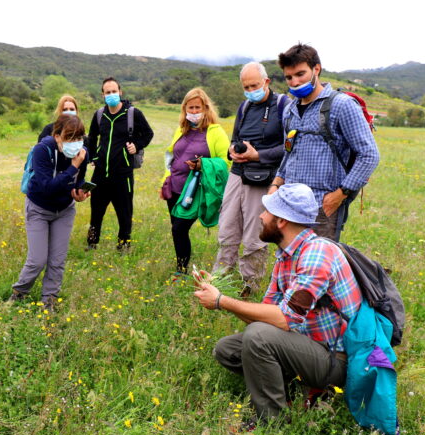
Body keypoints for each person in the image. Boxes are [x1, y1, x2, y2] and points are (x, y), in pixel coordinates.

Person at [194, 183, 362, 427]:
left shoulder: (317, 254)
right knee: (228, 349)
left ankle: (271, 421)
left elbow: (283, 320)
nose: (261, 217)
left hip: (335, 360)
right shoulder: (286, 256)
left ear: (281, 221)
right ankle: (294, 390)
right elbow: (267, 317)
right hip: (305, 345)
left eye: (267, 212)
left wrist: (221, 301)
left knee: (258, 337)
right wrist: (219, 292)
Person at [271, 43, 379, 241]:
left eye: (300, 74)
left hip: (323, 205)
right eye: (289, 77)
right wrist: (277, 183)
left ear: (316, 69)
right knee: (289, 260)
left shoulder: (341, 105)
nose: (294, 82)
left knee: (318, 265)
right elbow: (289, 153)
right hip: (290, 203)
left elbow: (369, 154)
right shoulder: (289, 110)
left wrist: (341, 194)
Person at [214, 62, 288, 295]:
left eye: (254, 85)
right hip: (237, 173)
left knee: (255, 233)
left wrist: (259, 155)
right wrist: (231, 152)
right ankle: (220, 277)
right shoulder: (244, 107)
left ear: (266, 82)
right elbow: (235, 138)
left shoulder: (283, 105)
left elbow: (289, 146)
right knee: (227, 227)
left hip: (263, 177)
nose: (250, 90)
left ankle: (250, 283)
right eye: (246, 86)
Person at [10, 113, 91, 311]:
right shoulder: (42, 150)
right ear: (57, 136)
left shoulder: (82, 153)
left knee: (57, 259)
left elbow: (78, 180)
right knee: (37, 260)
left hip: (64, 210)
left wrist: (79, 192)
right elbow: (47, 186)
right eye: (70, 137)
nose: (76, 143)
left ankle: (49, 300)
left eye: (79, 138)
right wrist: (73, 168)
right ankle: (19, 292)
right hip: (39, 207)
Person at [159, 87, 229, 275]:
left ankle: (181, 271)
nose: (194, 112)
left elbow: (225, 161)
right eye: (190, 108)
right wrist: (165, 180)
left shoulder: (215, 132)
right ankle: (181, 264)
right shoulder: (182, 130)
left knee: (179, 229)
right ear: (185, 109)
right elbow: (171, 155)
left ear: (206, 108)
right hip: (174, 188)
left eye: (198, 108)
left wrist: (203, 164)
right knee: (176, 229)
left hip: (195, 190)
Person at [86, 77, 154, 251]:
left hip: (123, 174)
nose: (111, 95)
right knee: (96, 211)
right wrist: (93, 157)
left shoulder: (133, 113)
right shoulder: (99, 114)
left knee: (124, 212)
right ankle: (92, 243)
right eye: (107, 92)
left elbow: (148, 133)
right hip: (100, 173)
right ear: (102, 94)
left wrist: (136, 145)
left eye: (114, 91)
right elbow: (92, 138)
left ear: (120, 92)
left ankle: (123, 245)